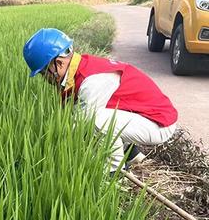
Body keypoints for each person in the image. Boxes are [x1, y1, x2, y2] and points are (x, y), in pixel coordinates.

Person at [23, 28, 178, 174]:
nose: (44, 79)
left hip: (158, 123)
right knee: (93, 118)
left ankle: (114, 173)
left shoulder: (91, 81)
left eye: (44, 73)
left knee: (95, 121)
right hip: (142, 118)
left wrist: (49, 154)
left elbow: (79, 127)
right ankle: (134, 157)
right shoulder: (78, 71)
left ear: (58, 63)